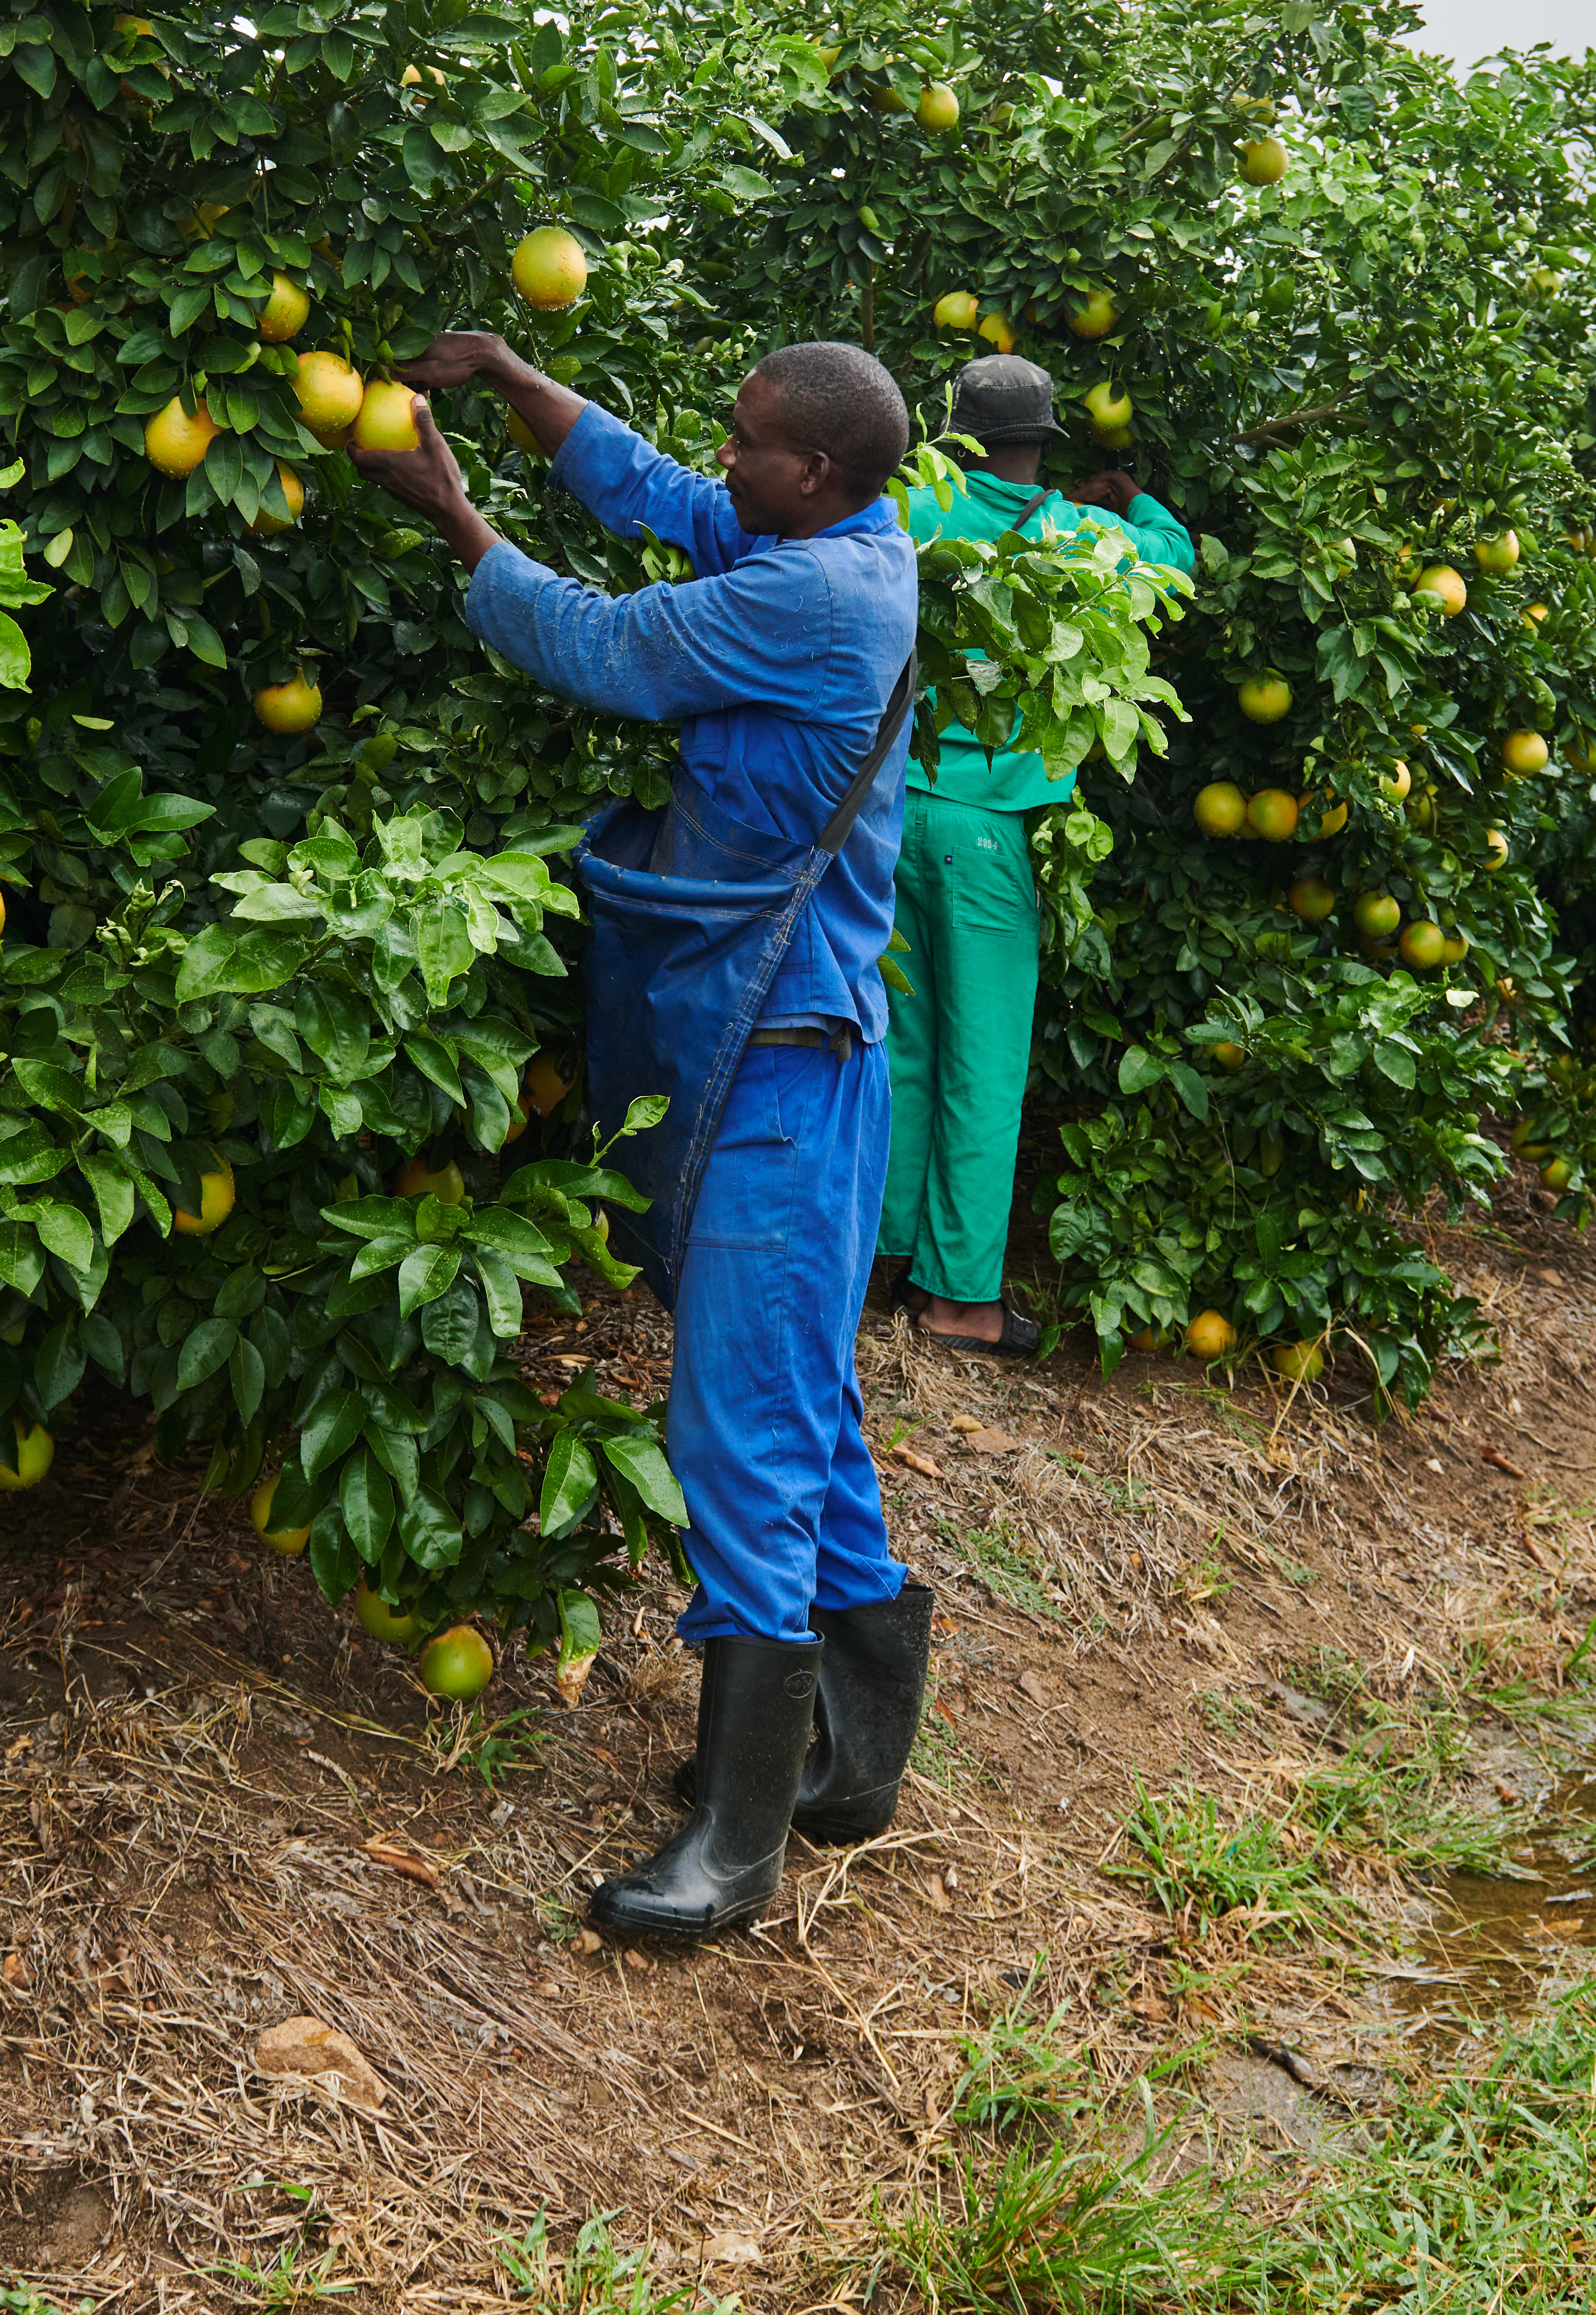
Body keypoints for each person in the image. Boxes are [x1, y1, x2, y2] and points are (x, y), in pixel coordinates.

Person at [350, 327, 932, 1945]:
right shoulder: (838, 536)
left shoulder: (816, 601)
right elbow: (673, 503)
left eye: (751, 440)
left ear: (811, 470)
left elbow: (604, 646)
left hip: (788, 1068)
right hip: (779, 1048)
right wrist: (521, 382)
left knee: (740, 1431)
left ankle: (739, 1844)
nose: (725, 456)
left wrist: (456, 515)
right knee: (800, 1399)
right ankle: (855, 1758)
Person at [878, 357, 1192, 1355]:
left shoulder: (915, 505)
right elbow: (1177, 558)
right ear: (1042, 444)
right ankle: (960, 1300)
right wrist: (1127, 495)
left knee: (904, 1049)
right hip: (988, 833)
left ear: (956, 432)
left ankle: (882, 1263)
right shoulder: (1076, 536)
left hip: (891, 815)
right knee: (984, 1066)